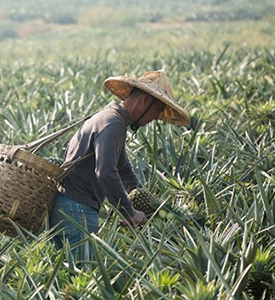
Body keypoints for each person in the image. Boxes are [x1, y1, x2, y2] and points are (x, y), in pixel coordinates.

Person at [49, 70, 190, 259]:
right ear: (144, 102)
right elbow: (106, 172)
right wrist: (129, 212)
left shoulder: (112, 119)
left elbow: (123, 170)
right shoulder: (113, 124)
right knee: (85, 272)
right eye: (156, 112)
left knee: (66, 272)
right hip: (78, 209)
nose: (152, 120)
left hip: (66, 206)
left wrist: (148, 202)